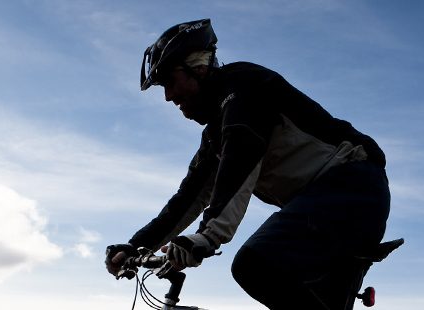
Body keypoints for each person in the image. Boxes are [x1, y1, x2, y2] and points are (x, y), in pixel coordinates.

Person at [104, 19, 391, 309]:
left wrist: (207, 236)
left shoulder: (243, 87)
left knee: (254, 264)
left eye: (169, 81)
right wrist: (136, 246)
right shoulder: (216, 134)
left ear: (198, 67)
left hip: (353, 187)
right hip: (332, 207)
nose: (168, 96)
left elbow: (241, 156)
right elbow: (185, 200)